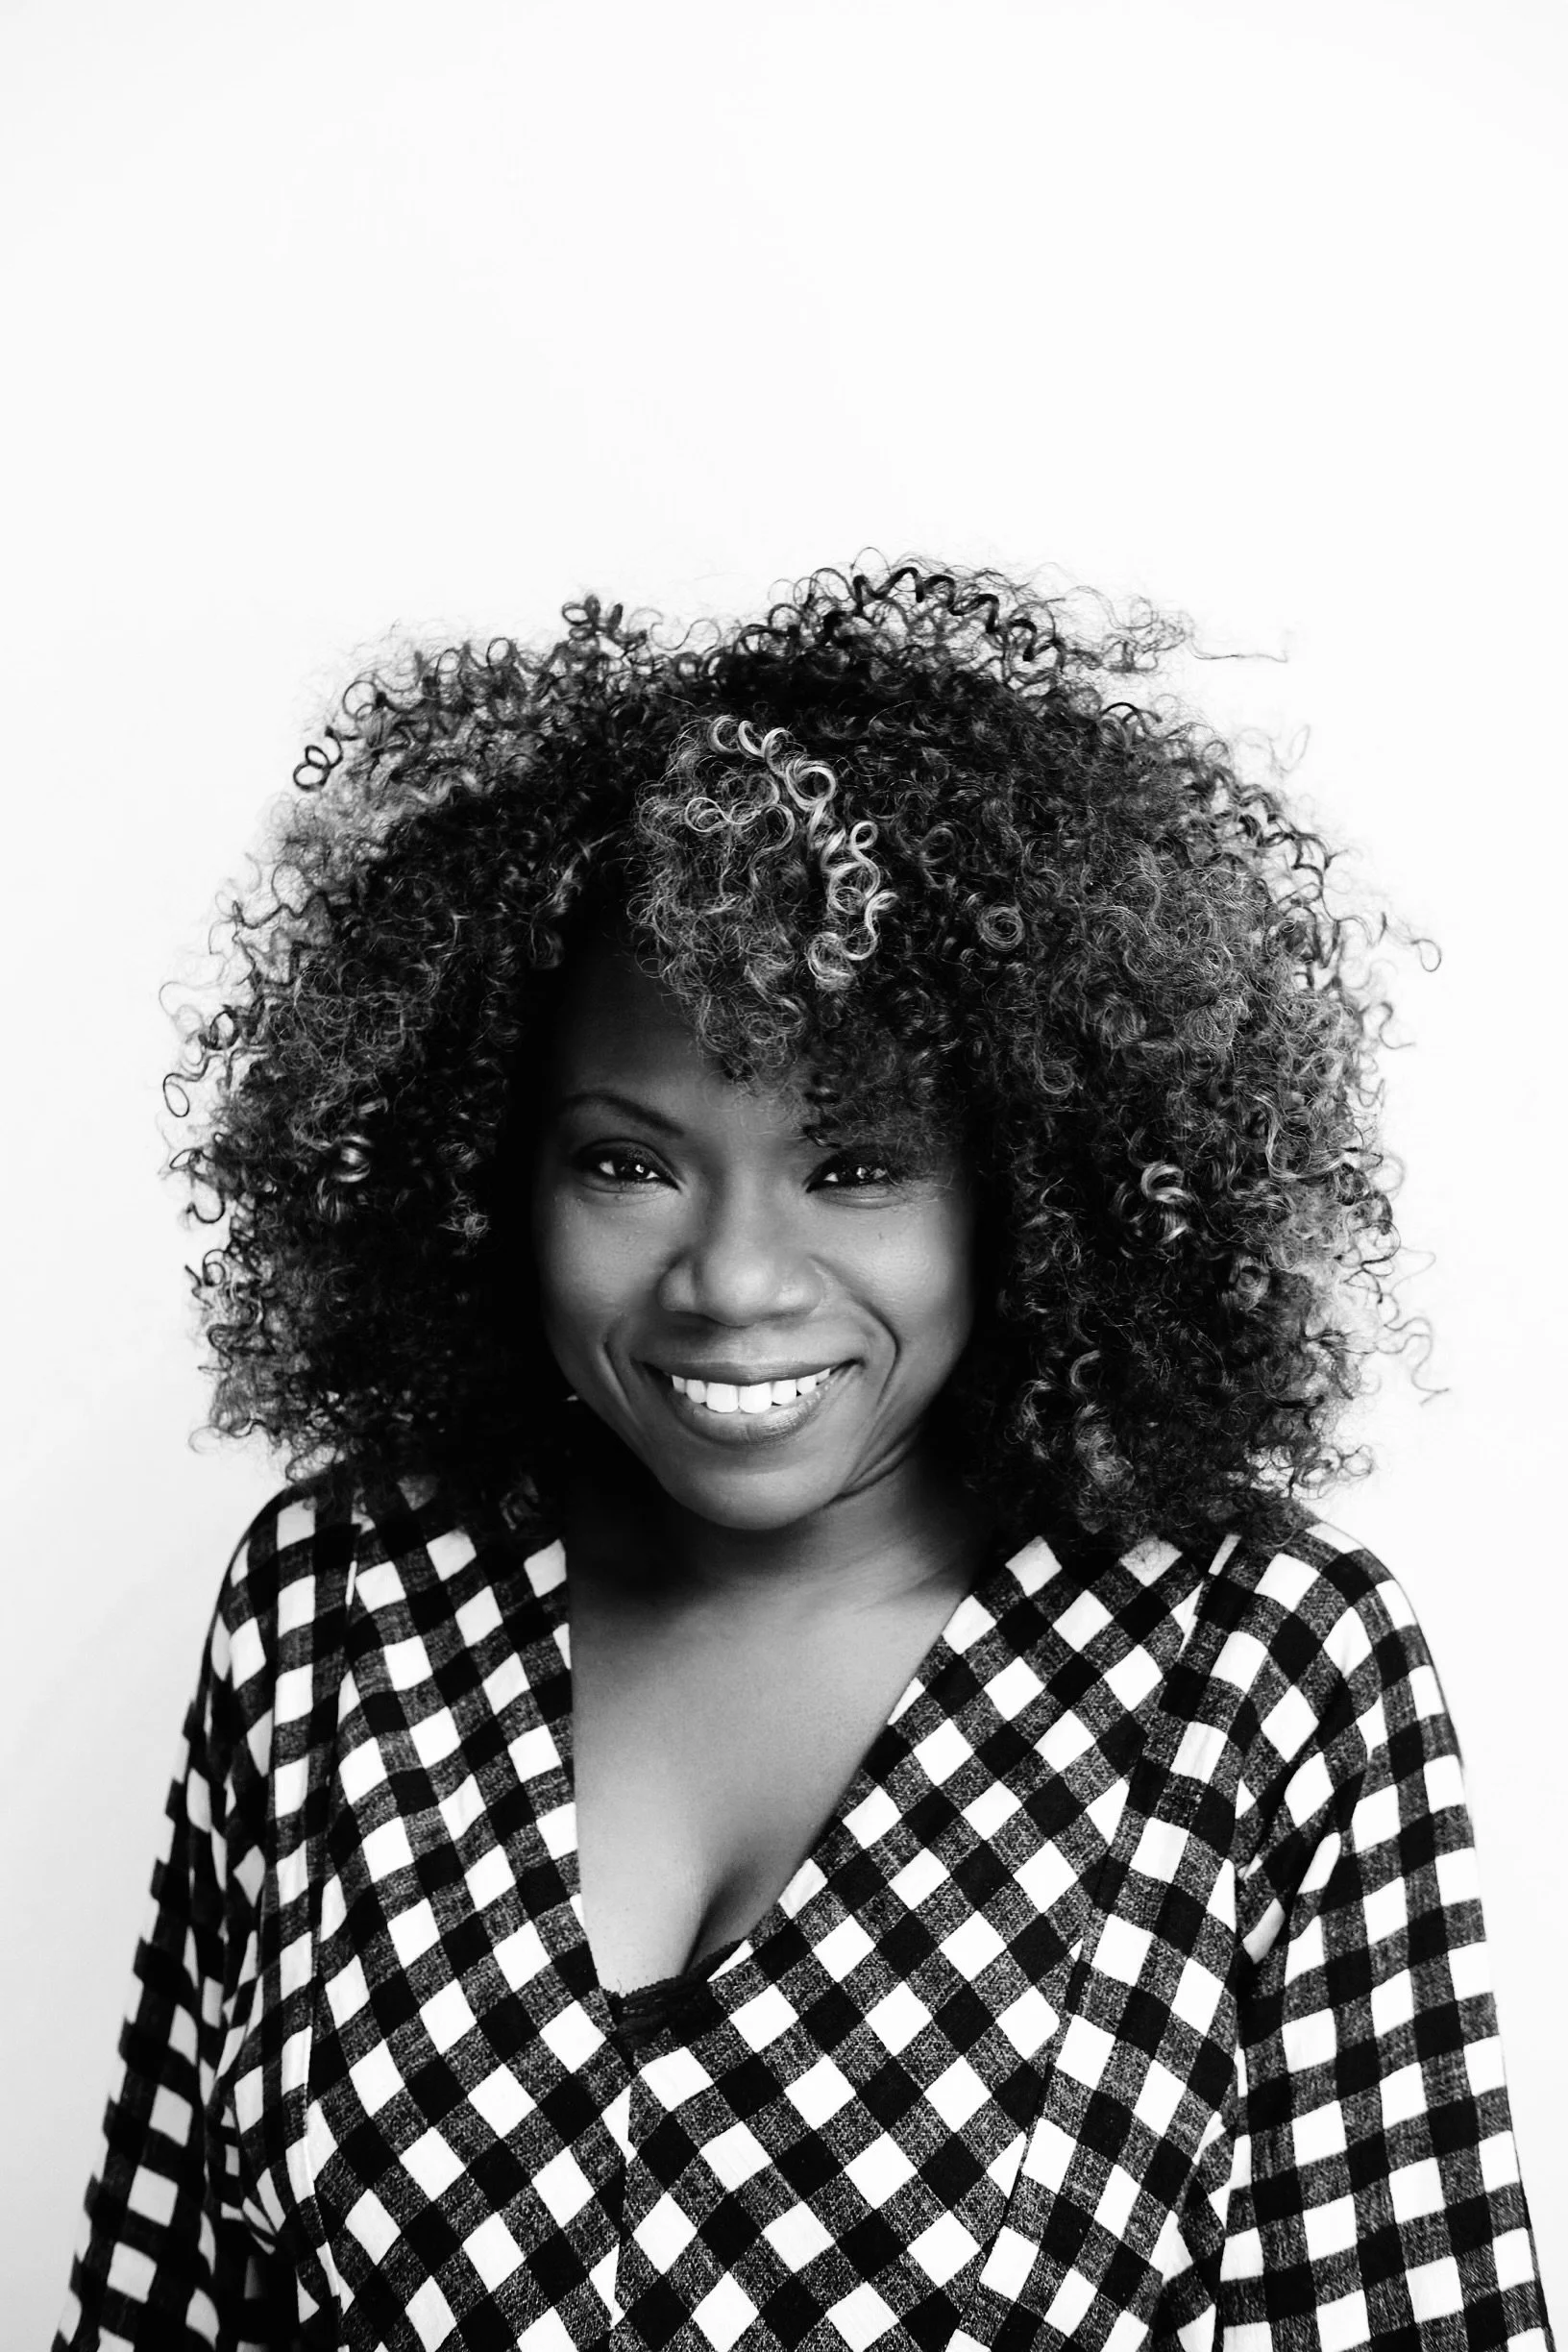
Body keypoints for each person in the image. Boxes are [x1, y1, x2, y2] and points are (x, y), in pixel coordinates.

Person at [57, 564, 1553, 2350]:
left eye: (856, 1165)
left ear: (1027, 1189)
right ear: (483, 1175)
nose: (737, 1285)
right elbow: (165, 2302)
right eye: (628, 1161)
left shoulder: (1255, 1674)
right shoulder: (336, 1604)